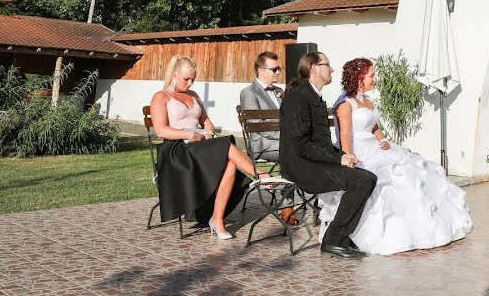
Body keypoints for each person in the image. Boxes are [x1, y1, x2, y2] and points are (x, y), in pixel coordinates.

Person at [318, 58, 473, 255]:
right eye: (371, 75)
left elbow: (373, 125)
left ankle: (421, 228)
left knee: (413, 169)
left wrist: (383, 140)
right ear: (359, 77)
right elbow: (345, 134)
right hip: (359, 150)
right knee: (388, 178)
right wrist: (348, 156)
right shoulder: (345, 104)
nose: (375, 79)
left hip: (375, 146)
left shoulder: (367, 100)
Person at [150, 55, 269, 240]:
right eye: (186, 79)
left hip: (199, 147)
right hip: (177, 151)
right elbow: (161, 130)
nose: (190, 83)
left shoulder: (194, 96)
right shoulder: (161, 97)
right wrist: (190, 135)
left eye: (193, 79)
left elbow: (208, 124)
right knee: (226, 145)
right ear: (174, 74)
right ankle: (260, 175)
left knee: (229, 163)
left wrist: (207, 133)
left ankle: (217, 219)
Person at [279, 52, 377, 259]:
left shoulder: (311, 94)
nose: (332, 70)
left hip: (314, 161)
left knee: (366, 176)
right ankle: (334, 239)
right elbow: (301, 144)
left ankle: (340, 236)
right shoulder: (298, 97)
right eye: (328, 65)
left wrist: (342, 154)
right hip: (302, 167)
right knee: (362, 180)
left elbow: (319, 142)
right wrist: (337, 159)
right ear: (314, 68)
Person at [239, 51, 283, 162]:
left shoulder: (279, 91)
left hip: (283, 140)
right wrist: (287, 137)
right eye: (274, 69)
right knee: (298, 150)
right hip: (262, 145)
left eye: (279, 69)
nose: (278, 72)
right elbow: (257, 128)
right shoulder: (249, 92)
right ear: (261, 71)